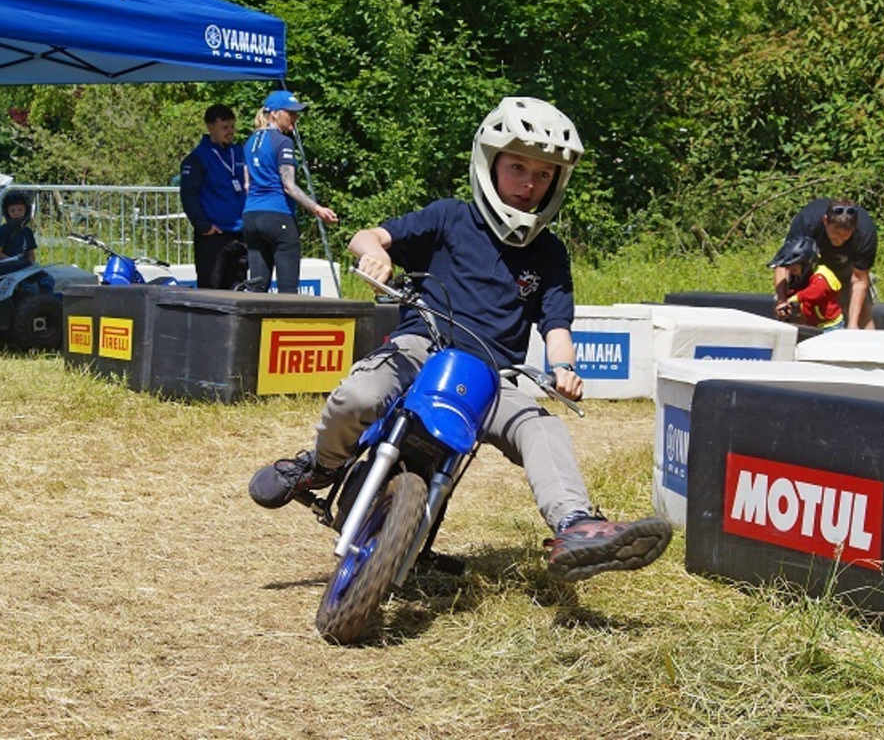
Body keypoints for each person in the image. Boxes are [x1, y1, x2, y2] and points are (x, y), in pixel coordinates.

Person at [249, 96, 672, 582]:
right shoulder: (451, 217)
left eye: (543, 174)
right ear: (490, 163)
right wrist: (375, 256)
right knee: (359, 395)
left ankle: (575, 525)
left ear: (558, 182)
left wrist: (565, 369)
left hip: (494, 379)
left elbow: (556, 324)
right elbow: (366, 236)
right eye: (517, 168)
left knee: (543, 427)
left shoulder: (551, 253)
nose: (529, 184)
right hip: (421, 348)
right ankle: (322, 465)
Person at [240, 90, 337, 293]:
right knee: (288, 288)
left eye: (296, 113)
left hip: (251, 216)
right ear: (274, 113)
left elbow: (247, 184)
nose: (295, 118)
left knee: (257, 287)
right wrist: (316, 208)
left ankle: (253, 325)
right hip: (278, 215)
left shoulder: (249, 142)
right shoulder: (283, 142)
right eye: (290, 113)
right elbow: (289, 185)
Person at [775, 197, 877, 329]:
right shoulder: (807, 222)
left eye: (845, 236)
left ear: (854, 228)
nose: (839, 240)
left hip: (847, 267)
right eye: (835, 234)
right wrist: (781, 300)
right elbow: (784, 264)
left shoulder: (865, 232)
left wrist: (853, 325)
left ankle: (867, 345)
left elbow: (859, 281)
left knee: (862, 314)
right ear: (825, 221)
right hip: (808, 265)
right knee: (799, 309)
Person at [180, 104, 246, 289]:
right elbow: (189, 194)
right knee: (211, 290)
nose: (230, 132)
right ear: (211, 128)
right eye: (224, 128)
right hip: (213, 236)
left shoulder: (238, 152)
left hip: (239, 234)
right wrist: (203, 225)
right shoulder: (198, 158)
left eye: (232, 127)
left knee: (238, 289)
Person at [767, 236, 844, 330]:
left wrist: (793, 299)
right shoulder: (804, 276)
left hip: (831, 326)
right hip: (815, 325)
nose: (790, 270)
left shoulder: (821, 276)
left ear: (807, 263)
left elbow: (815, 293)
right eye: (788, 267)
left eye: (794, 267)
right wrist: (785, 302)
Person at [0, 190, 37, 263]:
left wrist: (31, 265)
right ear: (7, 212)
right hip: (5, 267)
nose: (16, 213)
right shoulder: (2, 230)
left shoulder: (28, 231)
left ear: (26, 211)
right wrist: (14, 261)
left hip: (23, 268)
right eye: (12, 211)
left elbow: (31, 255)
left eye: (20, 210)